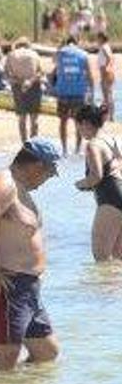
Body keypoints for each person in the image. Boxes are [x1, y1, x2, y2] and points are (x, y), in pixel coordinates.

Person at [0, 138, 61, 371]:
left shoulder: (20, 189)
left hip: (27, 288)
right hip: (4, 285)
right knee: (4, 359)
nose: (46, 181)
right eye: (49, 174)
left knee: (46, 352)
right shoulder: (4, 182)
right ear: (38, 166)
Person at [74, 105, 122, 261]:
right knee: (118, 257)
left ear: (86, 123)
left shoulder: (93, 145)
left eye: (78, 126)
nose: (78, 131)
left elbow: (96, 176)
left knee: (101, 258)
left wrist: (81, 184)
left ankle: (102, 286)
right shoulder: (112, 140)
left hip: (110, 199)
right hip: (119, 192)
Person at [53, 36, 94, 157]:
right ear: (77, 43)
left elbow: (55, 67)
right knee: (79, 122)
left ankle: (64, 149)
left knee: (63, 121)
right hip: (79, 93)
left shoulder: (60, 53)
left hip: (63, 92)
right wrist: (91, 92)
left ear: (66, 43)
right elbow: (90, 75)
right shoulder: (83, 54)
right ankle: (77, 149)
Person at [5, 38, 44, 143]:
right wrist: (30, 81)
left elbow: (7, 74)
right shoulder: (34, 54)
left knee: (22, 118)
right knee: (34, 119)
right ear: (28, 45)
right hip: (34, 86)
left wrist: (20, 82)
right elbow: (40, 72)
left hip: (18, 87)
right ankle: (34, 142)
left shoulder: (11, 55)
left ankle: (24, 143)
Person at [97, 32, 115, 122]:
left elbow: (110, 58)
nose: (97, 40)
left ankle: (109, 117)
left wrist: (107, 68)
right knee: (108, 95)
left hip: (105, 73)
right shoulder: (106, 46)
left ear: (101, 38)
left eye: (98, 38)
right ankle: (109, 116)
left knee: (107, 95)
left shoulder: (104, 47)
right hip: (107, 73)